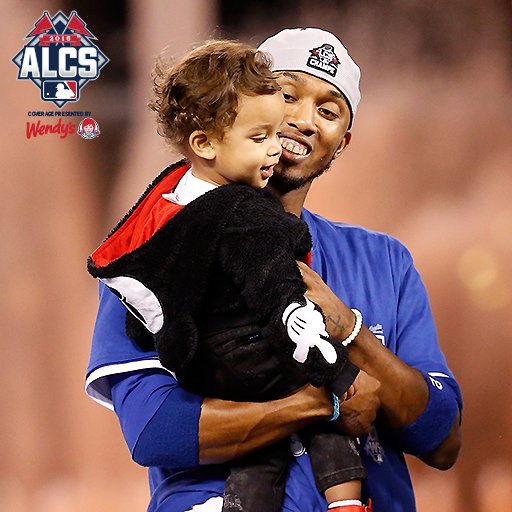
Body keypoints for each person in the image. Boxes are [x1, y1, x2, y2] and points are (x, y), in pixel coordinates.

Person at [85, 28, 462, 512]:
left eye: (329, 111)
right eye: (287, 96)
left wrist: (352, 334)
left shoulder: (385, 260)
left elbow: (443, 441)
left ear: (342, 143)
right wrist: (323, 400)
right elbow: (154, 429)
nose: (304, 121)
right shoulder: (157, 249)